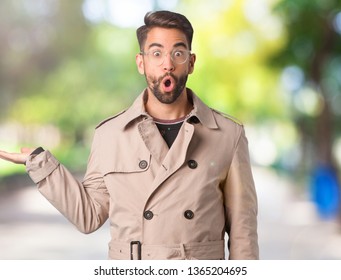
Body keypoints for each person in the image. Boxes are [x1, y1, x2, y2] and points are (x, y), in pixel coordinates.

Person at [0, 10, 259, 260]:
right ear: (141, 62)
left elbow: (243, 233)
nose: (167, 64)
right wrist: (40, 164)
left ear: (190, 63)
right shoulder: (110, 135)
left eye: (177, 53)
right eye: (156, 53)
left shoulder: (228, 135)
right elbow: (89, 215)